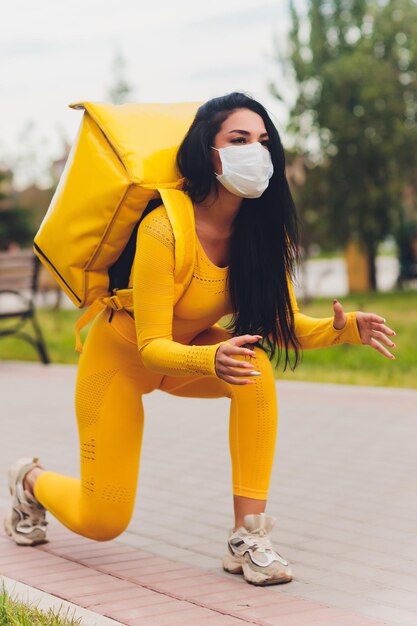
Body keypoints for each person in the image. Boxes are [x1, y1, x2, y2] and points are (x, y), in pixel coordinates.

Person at [4, 92, 396, 587]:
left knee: (256, 370)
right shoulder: (165, 228)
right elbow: (150, 346)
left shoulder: (262, 235)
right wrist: (213, 358)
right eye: (239, 139)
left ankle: (247, 537)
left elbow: (284, 325)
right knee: (102, 520)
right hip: (121, 360)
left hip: (192, 355)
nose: (256, 151)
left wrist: (344, 330)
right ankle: (29, 481)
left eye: (263, 141)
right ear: (207, 153)